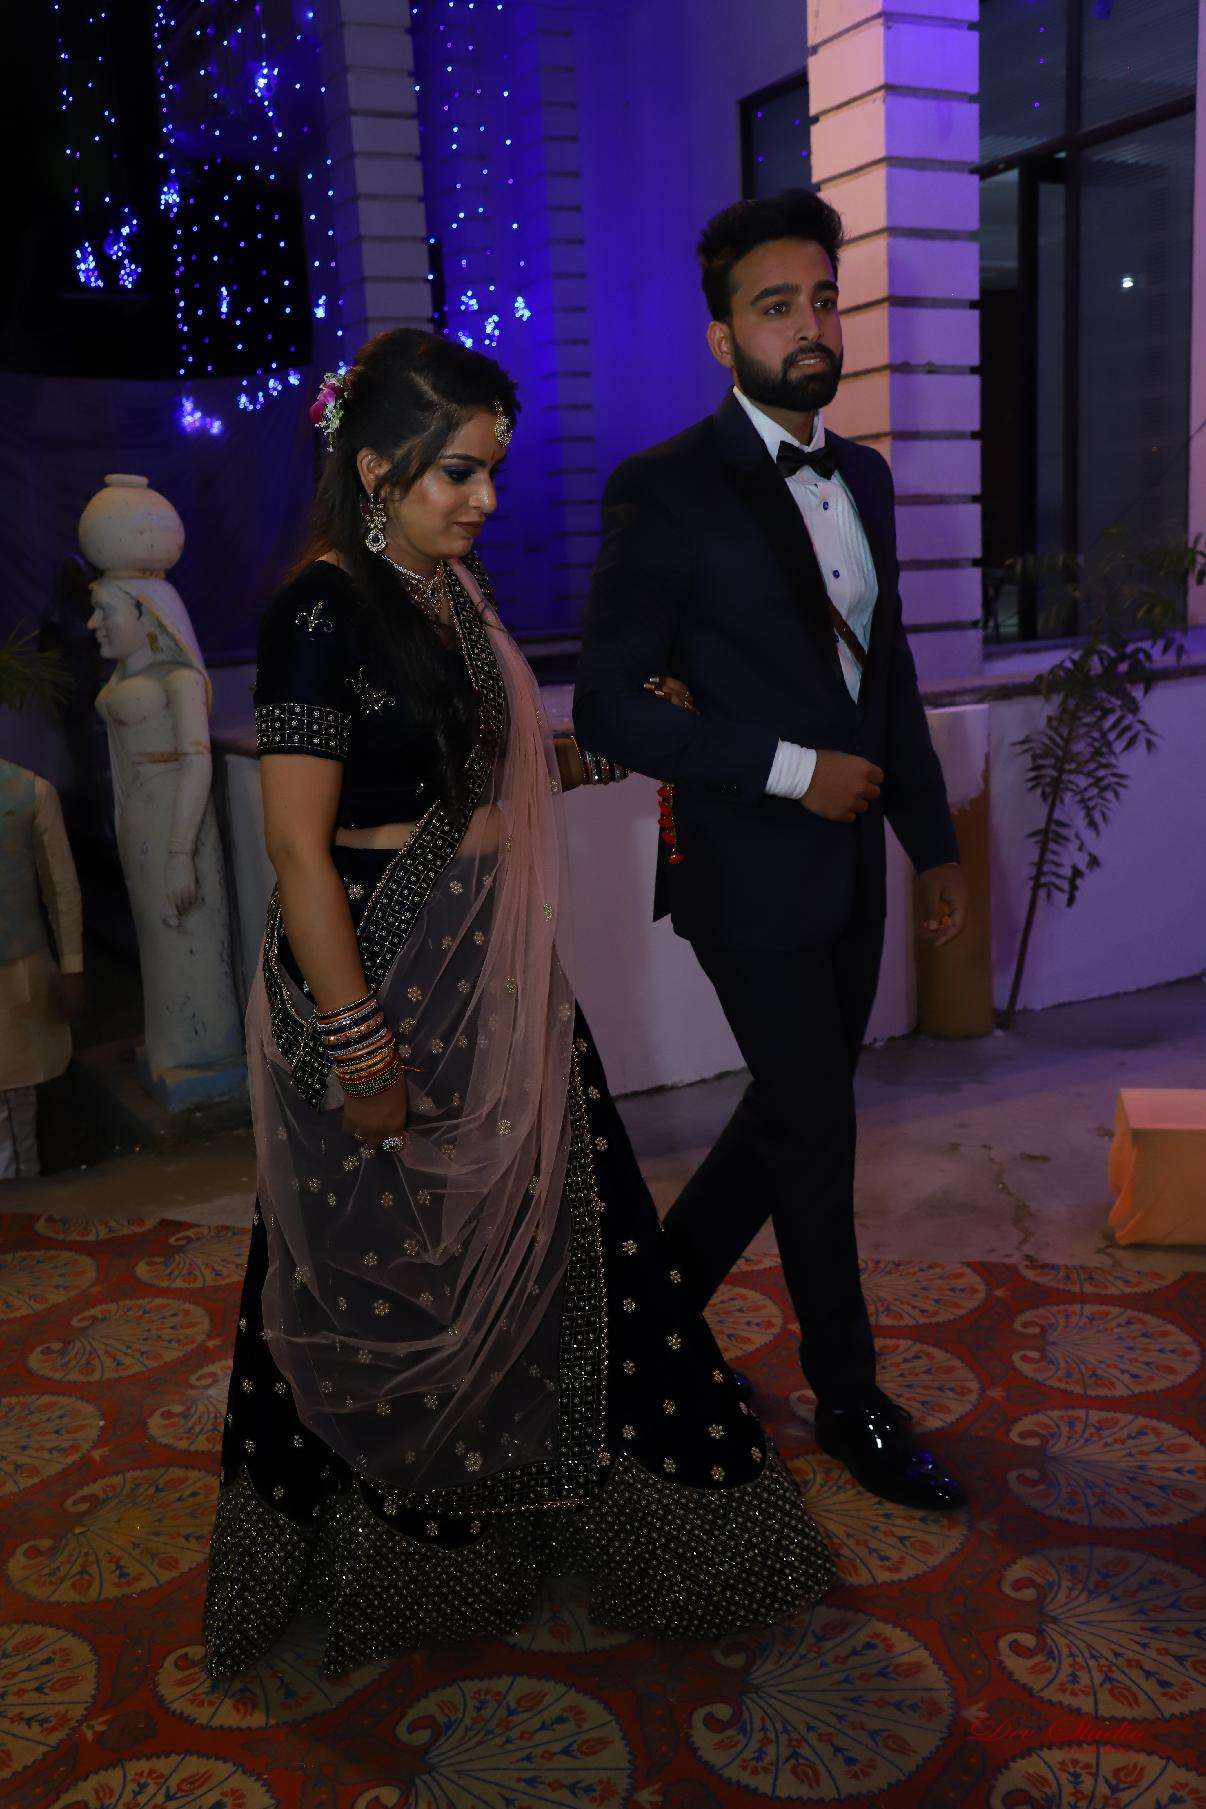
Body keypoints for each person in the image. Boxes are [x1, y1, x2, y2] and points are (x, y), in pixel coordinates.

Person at [202, 328, 834, 1681]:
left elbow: (475, 773)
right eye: (459, 474)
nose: (487, 499)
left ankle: (567, 1498)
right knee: (385, 1265)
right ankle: (411, 1550)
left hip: (490, 972)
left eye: (492, 470)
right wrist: (359, 1047)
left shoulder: (448, 592)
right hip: (379, 974)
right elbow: (300, 851)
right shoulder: (319, 613)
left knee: (566, 1230)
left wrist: (599, 751)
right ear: (376, 469)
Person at [573, 191, 969, 1512]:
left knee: (792, 1112)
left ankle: (644, 1327)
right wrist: (795, 772)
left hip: (853, 867)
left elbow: (884, 675)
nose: (810, 325)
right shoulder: (665, 487)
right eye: (775, 305)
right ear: (721, 335)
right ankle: (850, 1397)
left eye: (823, 299)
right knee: (817, 1131)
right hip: (743, 867)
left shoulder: (866, 478)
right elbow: (608, 703)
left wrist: (932, 843)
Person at [0, 759, 85, 1178]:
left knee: (13, 1106)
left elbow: (61, 889)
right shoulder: (30, 792)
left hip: (15, 975)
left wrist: (72, 968)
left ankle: (21, 1198)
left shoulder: (31, 793)